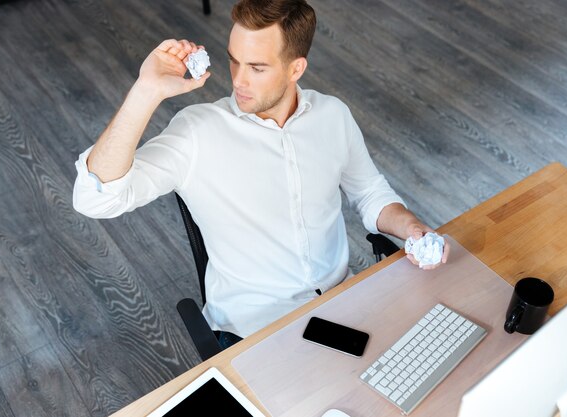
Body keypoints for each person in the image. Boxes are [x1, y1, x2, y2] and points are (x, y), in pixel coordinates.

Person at [73, 0, 449, 349]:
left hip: (343, 305)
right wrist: (146, 91)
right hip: (256, 334)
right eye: (234, 61)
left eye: (257, 67)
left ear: (295, 68)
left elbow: (369, 193)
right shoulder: (197, 133)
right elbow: (95, 198)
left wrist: (412, 228)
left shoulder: (333, 116)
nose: (238, 80)